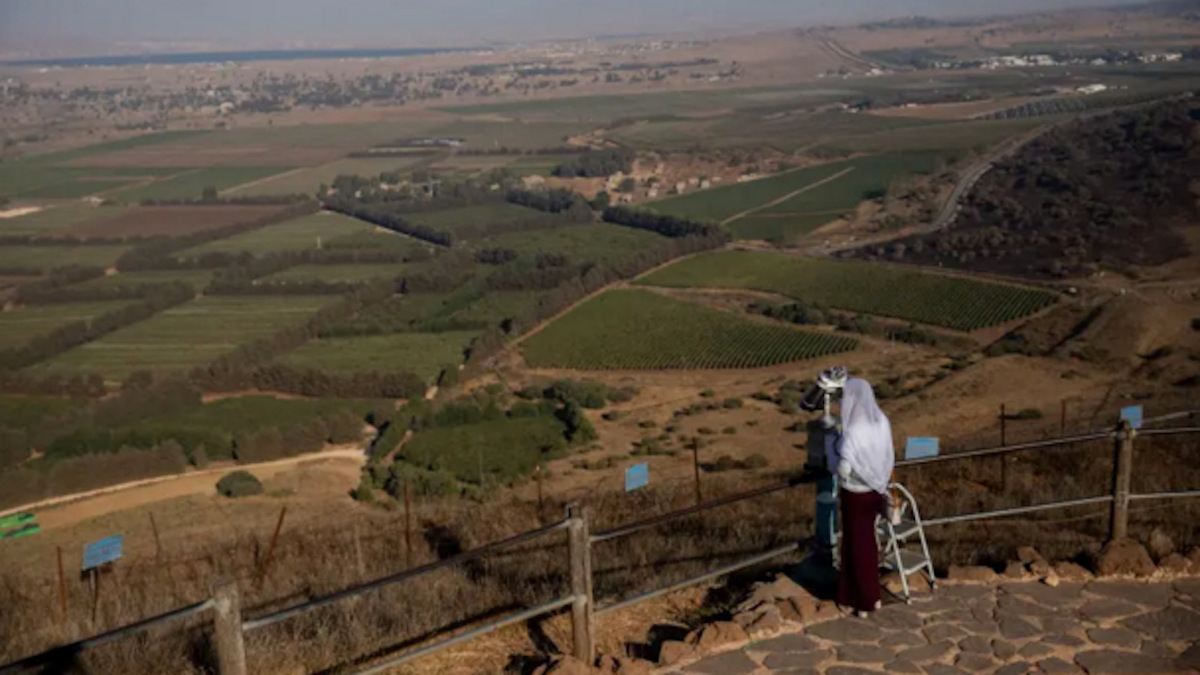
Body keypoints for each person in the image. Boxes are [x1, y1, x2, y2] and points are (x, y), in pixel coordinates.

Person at [828, 378, 895, 618]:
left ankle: (860, 600)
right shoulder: (881, 421)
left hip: (855, 494)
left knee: (855, 546)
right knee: (869, 541)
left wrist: (831, 450)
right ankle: (873, 595)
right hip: (877, 489)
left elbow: (844, 467)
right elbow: (888, 454)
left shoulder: (854, 429)